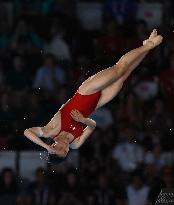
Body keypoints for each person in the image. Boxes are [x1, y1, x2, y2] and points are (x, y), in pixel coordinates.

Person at [24, 30, 163, 158]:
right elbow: (93, 126)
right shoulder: (75, 144)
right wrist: (84, 121)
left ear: (53, 146)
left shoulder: (50, 131)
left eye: (61, 150)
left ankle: (149, 45)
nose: (66, 149)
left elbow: (27, 132)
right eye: (66, 152)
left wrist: (45, 146)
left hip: (86, 92)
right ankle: (148, 47)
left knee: (119, 69)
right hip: (97, 102)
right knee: (125, 75)